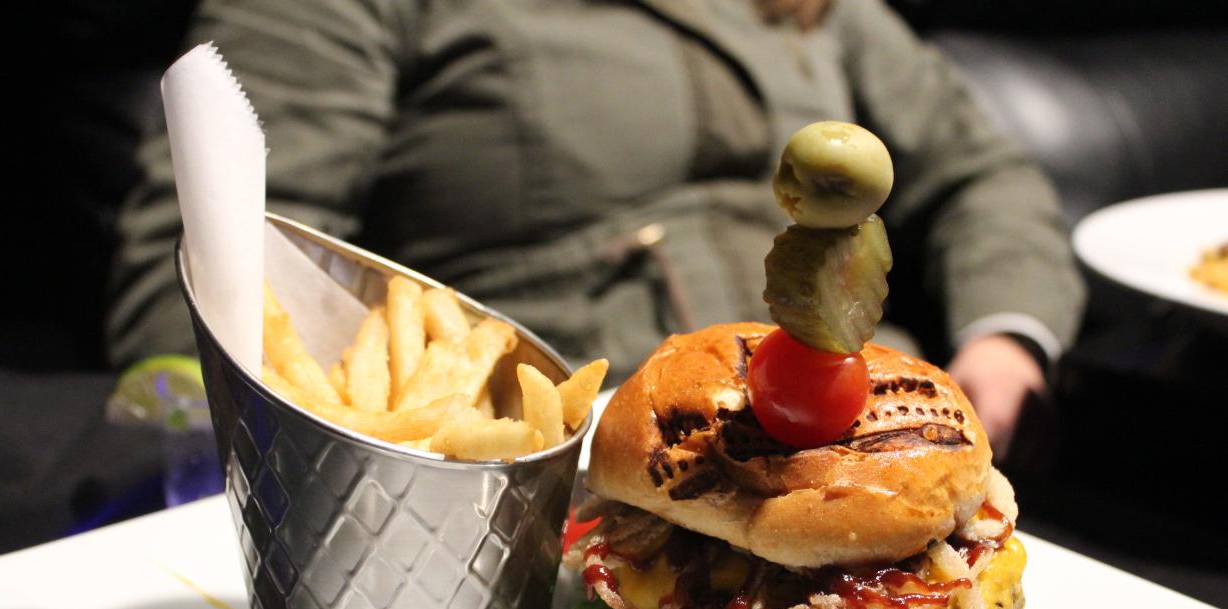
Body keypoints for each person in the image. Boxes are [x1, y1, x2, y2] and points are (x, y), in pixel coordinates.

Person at [108, 0, 1084, 460]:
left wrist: (1007, 336)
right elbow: (206, 263)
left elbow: (979, 170)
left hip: (878, 443)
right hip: (544, 480)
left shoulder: (820, 9)